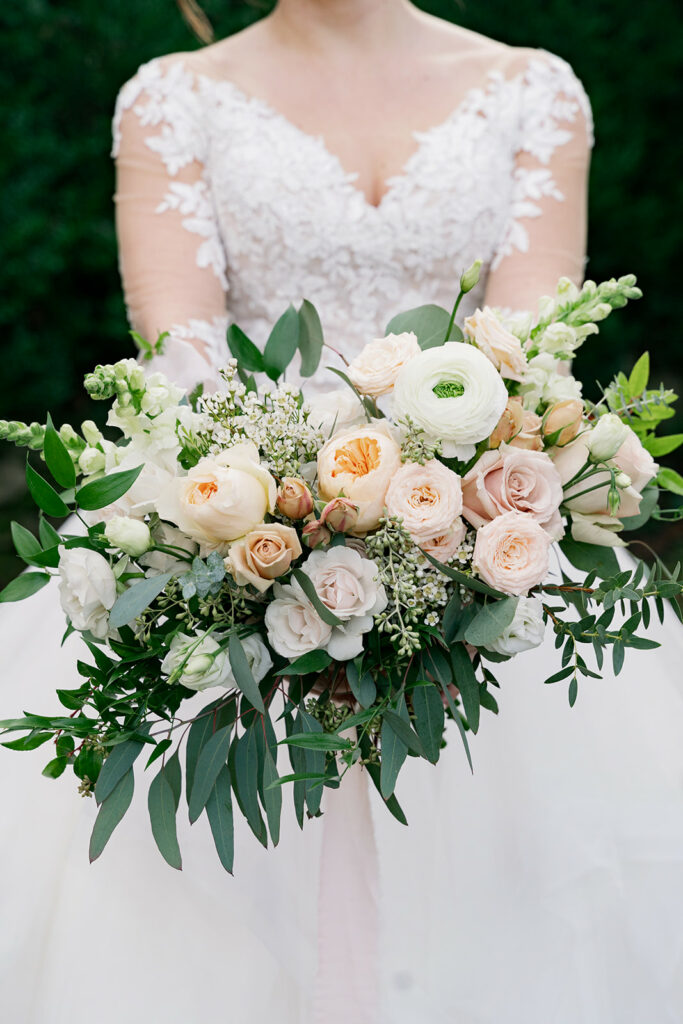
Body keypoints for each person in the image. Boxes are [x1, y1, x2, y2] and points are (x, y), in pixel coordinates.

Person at [2, 2, 683, 1021]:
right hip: (242, 536)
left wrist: (438, 519)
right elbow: (178, 363)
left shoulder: (531, 90)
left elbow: (532, 357)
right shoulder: (170, 99)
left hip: (479, 540)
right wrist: (286, 515)